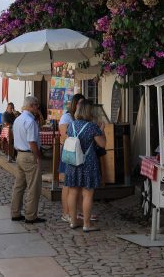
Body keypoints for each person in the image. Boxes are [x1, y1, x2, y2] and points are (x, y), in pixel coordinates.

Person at [64, 99, 105, 232]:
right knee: (87, 194)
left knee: (72, 192)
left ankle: (73, 221)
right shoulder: (92, 127)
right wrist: (102, 130)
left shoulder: (71, 125)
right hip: (88, 163)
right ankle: (86, 224)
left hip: (73, 162)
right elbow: (102, 144)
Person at [10, 95, 45, 224]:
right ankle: (31, 215)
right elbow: (32, 142)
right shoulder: (30, 121)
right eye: (37, 106)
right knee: (33, 187)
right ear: (31, 106)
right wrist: (38, 156)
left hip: (19, 154)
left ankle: (15, 212)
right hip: (29, 155)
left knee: (19, 186)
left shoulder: (18, 119)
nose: (38, 108)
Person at [58, 93, 84, 222]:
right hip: (69, 151)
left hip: (78, 152)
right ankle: (66, 213)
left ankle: (76, 212)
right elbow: (64, 136)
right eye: (80, 103)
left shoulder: (78, 117)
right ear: (74, 104)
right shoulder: (66, 117)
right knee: (67, 184)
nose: (81, 105)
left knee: (76, 184)